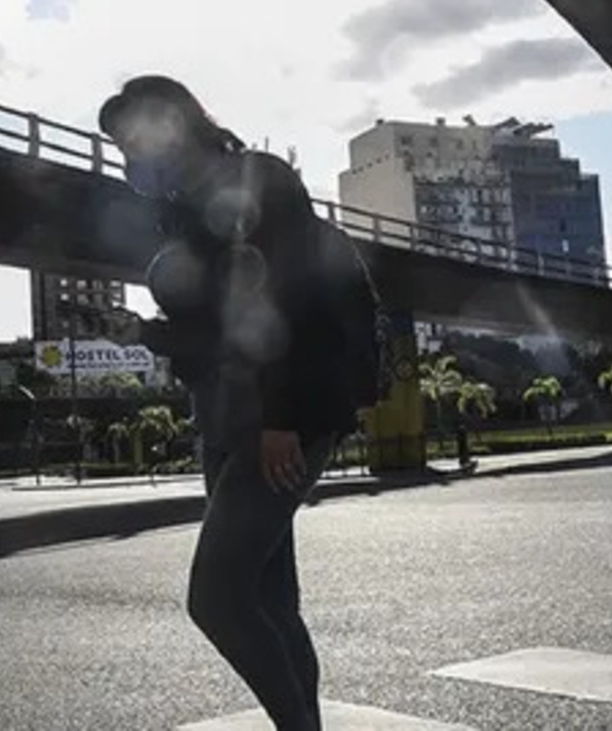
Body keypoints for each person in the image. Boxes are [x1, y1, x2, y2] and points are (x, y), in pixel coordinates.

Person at [95, 75, 375, 731]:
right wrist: (140, 333)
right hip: (222, 419)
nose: (126, 153)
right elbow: (216, 331)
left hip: (280, 417)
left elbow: (291, 300)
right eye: (117, 144)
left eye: (131, 135)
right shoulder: (186, 212)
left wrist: (282, 416)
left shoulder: (258, 181)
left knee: (217, 598)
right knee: (270, 602)